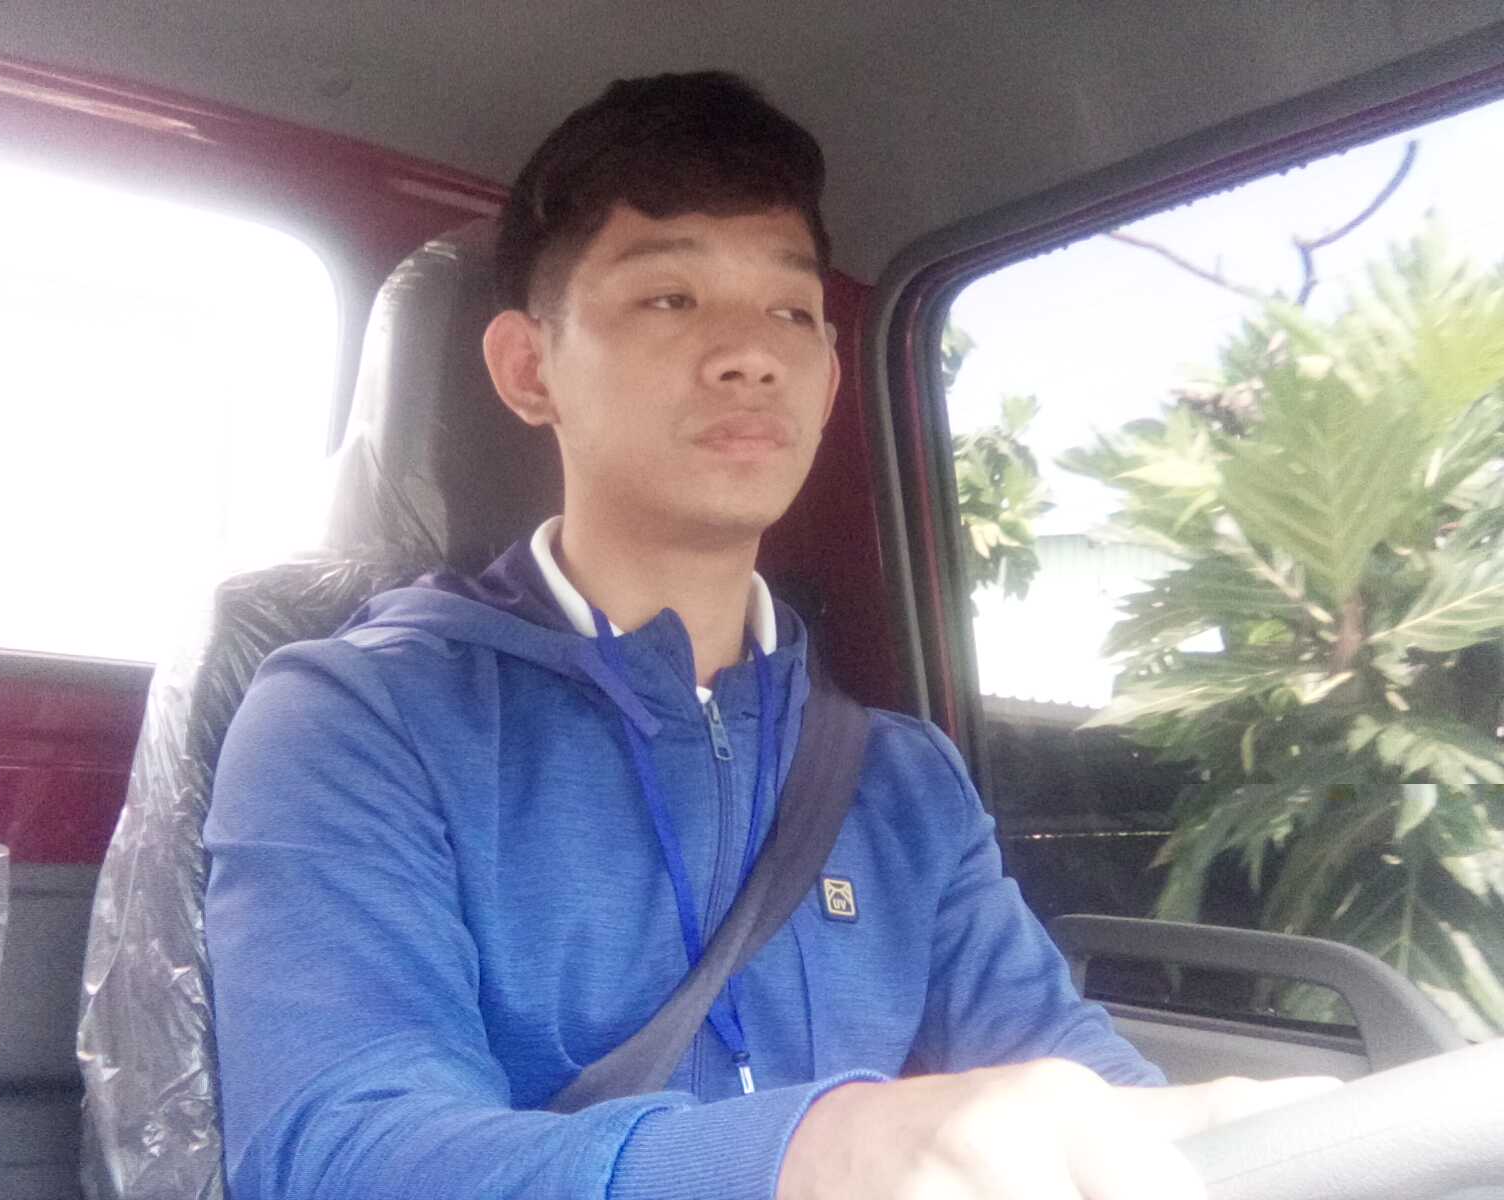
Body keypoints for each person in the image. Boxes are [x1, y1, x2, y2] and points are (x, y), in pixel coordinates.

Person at [203, 71, 1333, 1200]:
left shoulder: (901, 781)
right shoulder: (358, 718)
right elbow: (343, 1153)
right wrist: (817, 1150)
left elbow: (1066, 1069)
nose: (750, 354)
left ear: (832, 379)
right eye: (669, 298)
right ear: (529, 368)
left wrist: (1221, 1138)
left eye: (792, 313)